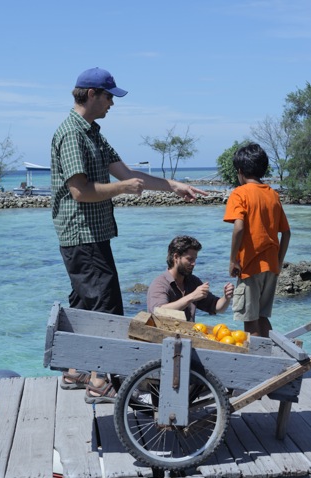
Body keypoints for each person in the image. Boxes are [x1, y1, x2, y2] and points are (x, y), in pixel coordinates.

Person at [51, 67, 208, 403]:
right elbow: (79, 191)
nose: (112, 103)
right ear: (92, 94)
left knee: (84, 303)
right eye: (109, 96)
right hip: (81, 233)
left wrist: (174, 186)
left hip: (94, 232)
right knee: (106, 304)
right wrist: (121, 189)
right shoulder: (72, 134)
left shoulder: (93, 132)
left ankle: (76, 370)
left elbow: (128, 173)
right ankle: (98, 380)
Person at [223, 143, 291, 337]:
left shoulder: (239, 193)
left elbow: (239, 226)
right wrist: (278, 261)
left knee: (250, 319)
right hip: (270, 266)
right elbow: (286, 233)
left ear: (240, 171)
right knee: (262, 316)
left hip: (250, 266)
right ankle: (277, 357)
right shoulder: (272, 195)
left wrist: (233, 260)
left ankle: (260, 363)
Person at [147, 236, 234, 322]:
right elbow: (159, 312)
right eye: (190, 259)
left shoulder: (192, 281)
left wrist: (226, 297)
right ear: (176, 257)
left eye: (195, 259)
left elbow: (217, 308)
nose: (194, 263)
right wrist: (192, 297)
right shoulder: (160, 284)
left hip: (187, 334)